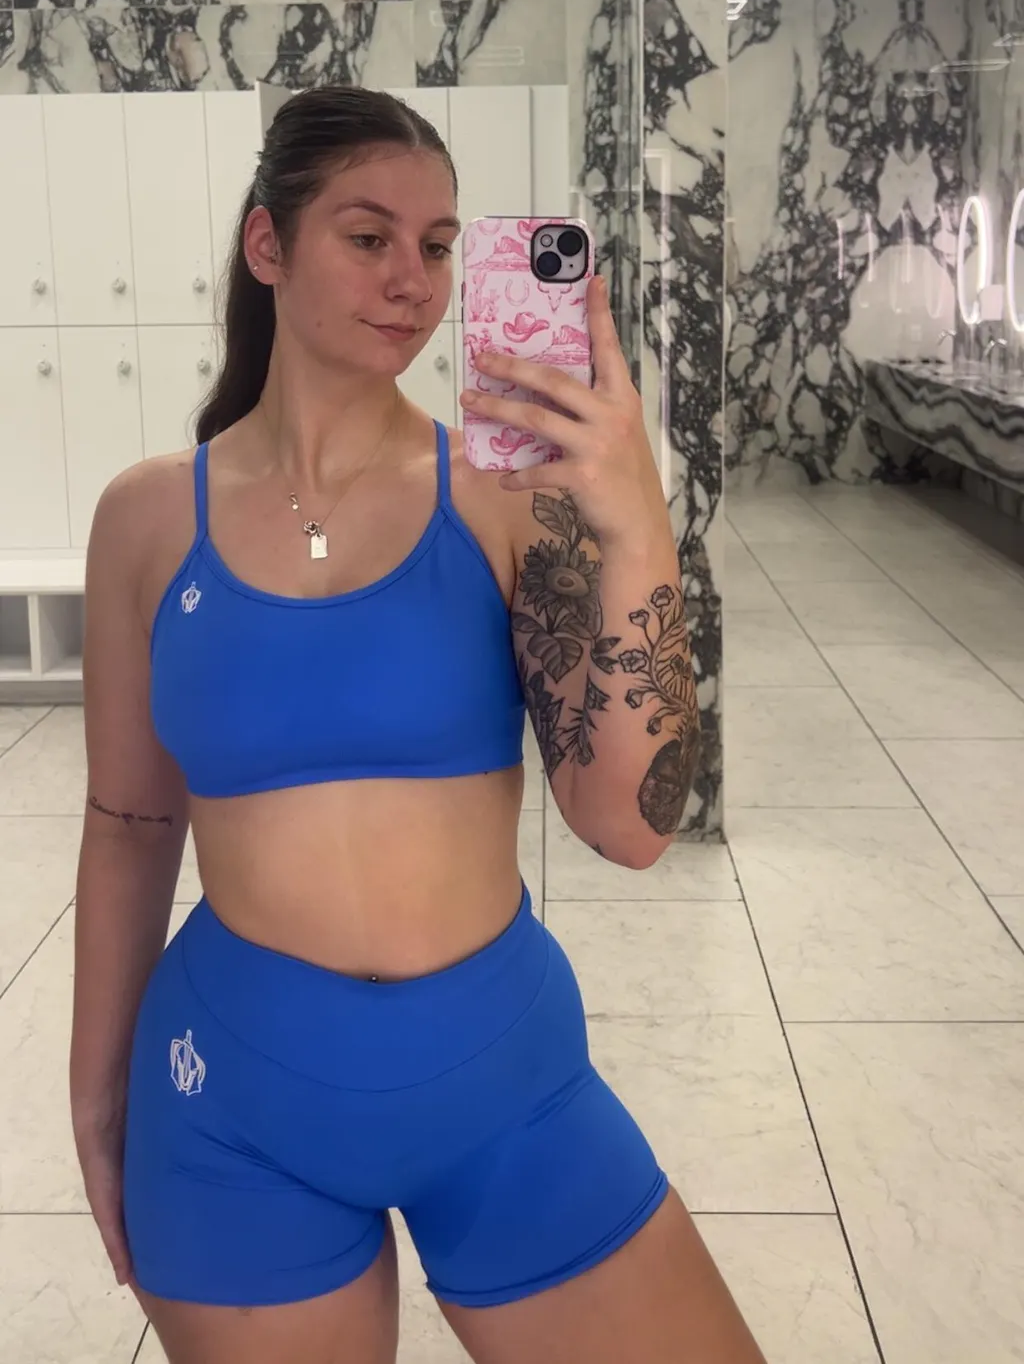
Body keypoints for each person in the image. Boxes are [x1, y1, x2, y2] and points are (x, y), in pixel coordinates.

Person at [70, 85, 765, 1364]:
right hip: (231, 1100)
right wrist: (95, 1083)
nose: (413, 278)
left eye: (439, 245)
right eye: (368, 235)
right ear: (269, 244)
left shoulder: (506, 502)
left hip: (501, 1083)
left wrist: (634, 519)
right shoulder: (149, 520)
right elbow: (126, 824)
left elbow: (632, 821)